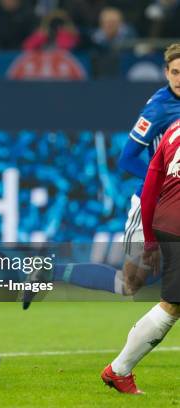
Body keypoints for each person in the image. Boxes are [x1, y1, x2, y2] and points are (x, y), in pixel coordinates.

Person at [22, 43, 180, 309]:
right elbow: (127, 158)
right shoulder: (159, 109)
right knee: (131, 283)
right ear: (165, 72)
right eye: (175, 72)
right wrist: (163, 184)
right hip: (154, 204)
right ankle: (50, 272)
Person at [101, 118, 180, 394]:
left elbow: (149, 189)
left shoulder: (173, 130)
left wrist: (149, 240)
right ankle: (119, 369)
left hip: (166, 221)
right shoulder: (160, 110)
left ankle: (119, 370)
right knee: (171, 306)